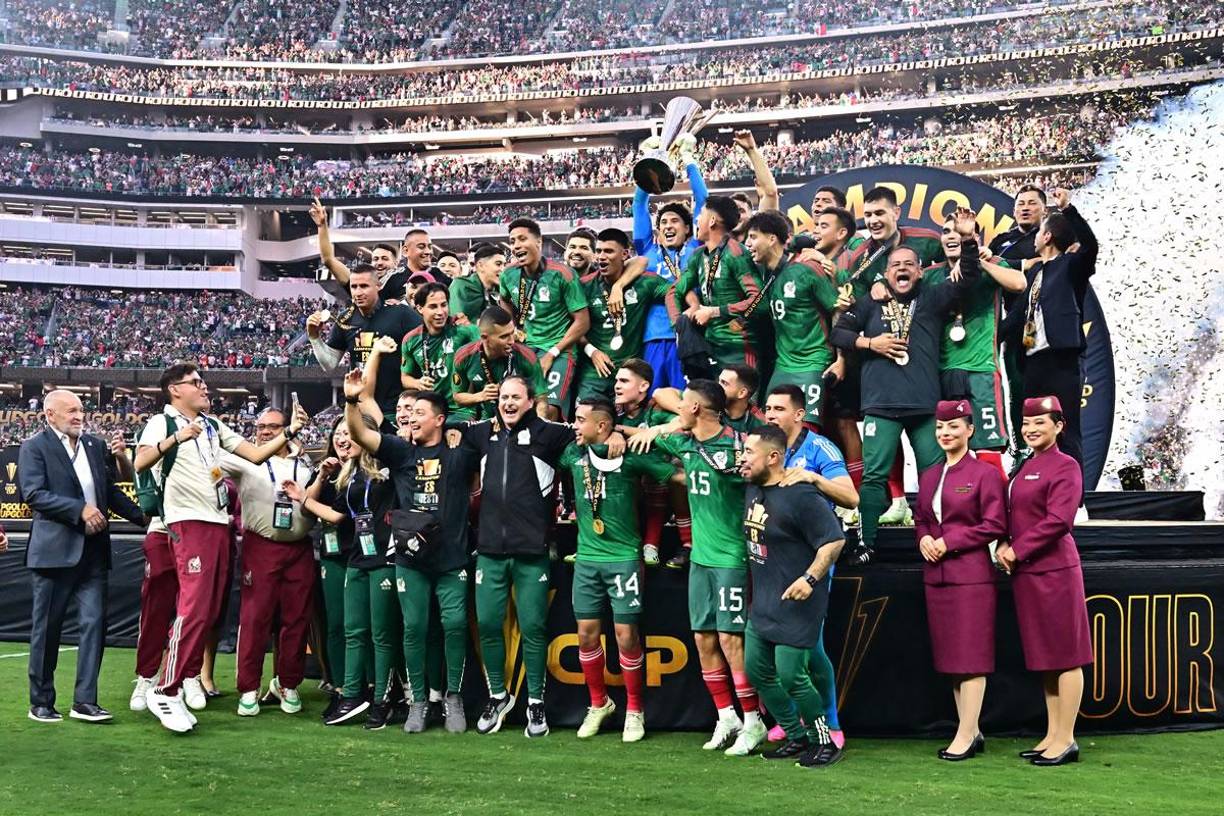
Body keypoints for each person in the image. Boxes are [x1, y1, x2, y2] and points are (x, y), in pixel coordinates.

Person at [133, 363, 310, 733]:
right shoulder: (161, 423)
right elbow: (141, 460)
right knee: (194, 607)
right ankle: (165, 687)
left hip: (217, 521)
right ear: (174, 390)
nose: (204, 387)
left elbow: (256, 454)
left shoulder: (213, 426)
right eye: (195, 383)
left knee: (209, 609)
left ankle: (179, 682)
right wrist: (176, 440)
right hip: (187, 520)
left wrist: (292, 429)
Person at [830, 208, 982, 564]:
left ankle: (934, 537)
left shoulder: (931, 298)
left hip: (924, 405)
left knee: (933, 476)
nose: (902, 269)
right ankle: (866, 544)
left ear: (919, 271)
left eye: (909, 264)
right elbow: (840, 332)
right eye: (896, 265)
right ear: (886, 273)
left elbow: (968, 279)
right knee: (873, 477)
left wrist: (969, 239)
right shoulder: (869, 303)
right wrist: (872, 344)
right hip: (881, 405)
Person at [629, 379, 765, 757]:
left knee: (730, 640)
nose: (678, 408)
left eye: (684, 404)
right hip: (701, 559)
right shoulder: (684, 442)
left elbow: (766, 477)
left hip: (732, 558)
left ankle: (754, 721)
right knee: (704, 638)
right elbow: (650, 419)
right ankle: (727, 716)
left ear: (695, 410)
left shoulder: (740, 445)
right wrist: (645, 432)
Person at [343, 375, 481, 735]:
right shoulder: (402, 450)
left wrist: (456, 428)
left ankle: (452, 697)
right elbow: (361, 435)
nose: (411, 418)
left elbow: (494, 427)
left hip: (452, 559)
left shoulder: (460, 451)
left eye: (420, 412)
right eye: (409, 413)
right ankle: (418, 701)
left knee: (453, 626)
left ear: (439, 418)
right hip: (410, 560)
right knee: (414, 628)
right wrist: (352, 400)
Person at [18, 390, 146, 724]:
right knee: (47, 630)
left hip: (94, 553)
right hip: (54, 554)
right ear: (50, 414)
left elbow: (110, 492)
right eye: (71, 411)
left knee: (95, 626)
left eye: (81, 410)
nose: (79, 415)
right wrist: (79, 510)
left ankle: (85, 701)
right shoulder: (35, 447)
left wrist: (145, 516)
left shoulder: (94, 446)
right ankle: (41, 702)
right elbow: (33, 494)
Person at [459, 376, 575, 738]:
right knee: (490, 625)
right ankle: (498, 696)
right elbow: (443, 422)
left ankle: (535, 703)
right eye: (504, 397)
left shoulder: (549, 434)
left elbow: (588, 431)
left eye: (516, 397)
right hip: (490, 551)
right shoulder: (481, 435)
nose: (508, 403)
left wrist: (616, 435)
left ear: (530, 401)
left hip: (531, 552)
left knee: (534, 629)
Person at [561, 398, 677, 742]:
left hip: (624, 558)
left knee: (626, 635)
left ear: (601, 426)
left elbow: (672, 472)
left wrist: (626, 434)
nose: (574, 425)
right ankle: (599, 704)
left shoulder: (631, 457)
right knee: (585, 634)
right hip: (586, 558)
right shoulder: (572, 454)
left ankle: (635, 709)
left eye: (581, 420)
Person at [284, 410, 399, 731]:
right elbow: (336, 518)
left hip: (384, 560)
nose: (344, 439)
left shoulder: (390, 468)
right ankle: (351, 693)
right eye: (341, 434)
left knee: (381, 634)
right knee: (352, 630)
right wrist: (300, 497)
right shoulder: (348, 476)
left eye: (352, 433)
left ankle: (382, 699)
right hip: (356, 559)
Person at [838, 187, 944, 526]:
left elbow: (950, 267)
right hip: (881, 362)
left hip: (929, 347)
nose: (873, 221)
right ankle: (896, 501)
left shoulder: (927, 240)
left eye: (880, 213)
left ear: (896, 212)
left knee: (935, 450)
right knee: (883, 437)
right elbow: (849, 311)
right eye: (868, 215)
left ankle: (942, 512)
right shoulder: (860, 258)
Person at [740, 425, 845, 767]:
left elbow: (834, 540)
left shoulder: (801, 495)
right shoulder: (753, 489)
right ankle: (796, 736)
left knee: (791, 676)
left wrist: (810, 578)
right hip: (766, 600)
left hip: (798, 601)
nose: (742, 459)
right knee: (757, 671)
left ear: (772, 457)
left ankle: (824, 740)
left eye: (748, 453)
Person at [996, 396, 1091, 767]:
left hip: (1055, 572)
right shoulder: (1025, 466)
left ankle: (1066, 738)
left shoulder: (1066, 466)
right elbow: (1013, 514)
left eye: (1040, 423)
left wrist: (1016, 550)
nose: (1031, 429)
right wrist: (1004, 542)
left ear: (1059, 426)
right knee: (1047, 657)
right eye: (1026, 423)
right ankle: (1052, 733)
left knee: (1067, 656)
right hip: (1028, 574)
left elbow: (1059, 521)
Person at [913, 400, 1008, 761]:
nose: (945, 433)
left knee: (971, 659)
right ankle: (972, 731)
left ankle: (965, 735)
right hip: (936, 578)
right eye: (940, 427)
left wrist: (948, 542)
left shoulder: (984, 474)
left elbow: (994, 525)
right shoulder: (929, 475)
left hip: (971, 577)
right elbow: (922, 517)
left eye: (953, 427)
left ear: (970, 430)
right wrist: (923, 537)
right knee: (953, 660)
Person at [762, 384, 856, 747]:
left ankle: (830, 724)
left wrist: (815, 478)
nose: (770, 415)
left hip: (812, 560)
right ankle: (795, 718)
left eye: (779, 409)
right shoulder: (763, 447)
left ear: (800, 414)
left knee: (810, 644)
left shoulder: (820, 448)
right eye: (767, 408)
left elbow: (851, 497)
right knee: (779, 643)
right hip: (771, 560)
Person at [222, 408, 316, 717]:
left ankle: (287, 683)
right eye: (260, 426)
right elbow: (210, 467)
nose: (264, 431)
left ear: (287, 428)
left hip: (299, 547)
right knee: (255, 618)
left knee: (296, 619)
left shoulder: (305, 462)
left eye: (272, 426)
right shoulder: (247, 460)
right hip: (261, 545)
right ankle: (248, 687)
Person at [1000, 189, 1098, 473]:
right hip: (1033, 360)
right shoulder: (1034, 274)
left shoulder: (1071, 267)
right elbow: (1018, 316)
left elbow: (1090, 246)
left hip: (1061, 359)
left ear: (1047, 237)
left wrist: (1068, 210)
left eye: (1040, 231)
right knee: (1034, 425)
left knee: (1065, 426)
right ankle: (1041, 483)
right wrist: (991, 338)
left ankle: (1075, 497)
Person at [923, 214, 1026, 477]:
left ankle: (999, 514)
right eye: (946, 231)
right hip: (941, 371)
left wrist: (980, 263)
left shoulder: (991, 264)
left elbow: (1019, 283)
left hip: (981, 369)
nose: (951, 236)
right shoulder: (931, 275)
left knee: (988, 449)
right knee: (948, 451)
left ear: (972, 237)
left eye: (958, 231)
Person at [745, 210, 840, 428]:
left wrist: (841, 359)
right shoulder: (763, 272)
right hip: (783, 365)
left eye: (753, 237)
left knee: (805, 429)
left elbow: (837, 309)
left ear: (771, 239)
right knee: (771, 429)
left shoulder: (807, 268)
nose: (748, 244)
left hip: (813, 362)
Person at [632, 144, 707, 392]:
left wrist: (688, 160)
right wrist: (650, 161)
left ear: (688, 228)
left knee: (686, 400)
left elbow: (703, 201)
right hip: (653, 338)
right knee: (653, 398)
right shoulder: (647, 251)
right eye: (663, 222)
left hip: (688, 337)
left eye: (675, 221)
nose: (668, 226)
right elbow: (639, 206)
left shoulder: (696, 247)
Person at [307, 264, 421, 426]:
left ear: (378, 286)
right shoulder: (345, 319)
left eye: (364, 286)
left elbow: (427, 346)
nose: (358, 292)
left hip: (396, 411)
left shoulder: (401, 314)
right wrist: (314, 337)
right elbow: (330, 364)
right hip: (362, 411)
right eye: (354, 287)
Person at [499, 218, 590, 419]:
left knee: (548, 410)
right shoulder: (508, 274)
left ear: (539, 242)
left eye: (522, 239)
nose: (516, 245)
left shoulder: (563, 274)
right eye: (512, 241)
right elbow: (504, 300)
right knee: (518, 405)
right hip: (526, 348)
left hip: (559, 349)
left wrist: (552, 353)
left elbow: (582, 321)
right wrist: (513, 326)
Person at [666, 196, 764, 376]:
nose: (697, 219)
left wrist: (714, 311)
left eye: (701, 214)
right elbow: (673, 291)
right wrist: (681, 324)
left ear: (712, 221)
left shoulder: (736, 253)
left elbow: (759, 300)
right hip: (709, 348)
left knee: (742, 404)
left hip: (738, 348)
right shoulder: (698, 256)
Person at [611, 358, 690, 568]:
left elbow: (680, 424)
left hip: (658, 480)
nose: (617, 385)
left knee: (662, 464)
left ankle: (658, 545)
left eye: (624, 381)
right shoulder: (612, 411)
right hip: (627, 486)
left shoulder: (655, 408)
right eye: (617, 380)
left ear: (643, 386)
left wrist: (635, 432)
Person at [575, 228, 666, 401]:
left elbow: (675, 291)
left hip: (630, 372)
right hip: (594, 373)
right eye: (599, 251)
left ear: (625, 254)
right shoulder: (584, 286)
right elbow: (572, 326)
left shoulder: (644, 282)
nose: (602, 256)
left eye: (608, 251)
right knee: (588, 417)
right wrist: (592, 351)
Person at [450, 306, 546, 420]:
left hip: (520, 420)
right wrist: (481, 396)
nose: (511, 341)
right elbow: (458, 398)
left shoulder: (527, 357)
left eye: (512, 333)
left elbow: (541, 400)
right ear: (485, 338)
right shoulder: (464, 357)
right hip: (487, 420)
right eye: (504, 336)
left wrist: (539, 429)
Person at [401, 282, 480, 417]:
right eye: (433, 306)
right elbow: (405, 378)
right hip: (431, 409)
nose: (440, 312)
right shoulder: (410, 340)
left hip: (462, 409)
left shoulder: (465, 331)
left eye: (444, 305)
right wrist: (418, 383)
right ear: (420, 308)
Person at [449, 243, 505, 324]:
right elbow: (459, 324)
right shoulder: (462, 286)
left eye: (504, 265)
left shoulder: (501, 291)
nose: (503, 269)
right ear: (481, 265)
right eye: (498, 264)